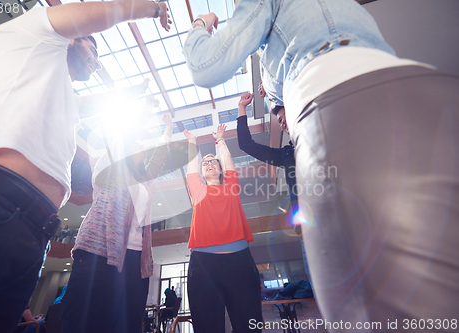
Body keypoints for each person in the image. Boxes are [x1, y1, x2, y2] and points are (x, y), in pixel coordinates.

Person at [182, 0, 459, 329]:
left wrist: (201, 22)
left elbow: (206, 66)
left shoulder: (240, 178)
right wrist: (274, 99)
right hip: (429, 97)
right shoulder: (346, 8)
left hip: (336, 111)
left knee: (375, 315)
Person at [0, 1, 170, 332]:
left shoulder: (62, 94)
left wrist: (133, 96)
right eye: (95, 50)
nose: (98, 63)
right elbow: (94, 14)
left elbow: (85, 105)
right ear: (76, 37)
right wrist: (152, 8)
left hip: (35, 228)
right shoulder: (29, 33)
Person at [61, 113, 174, 333]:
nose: (139, 147)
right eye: (135, 145)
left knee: (125, 323)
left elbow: (159, 156)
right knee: (83, 320)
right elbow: (123, 142)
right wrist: (142, 115)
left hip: (134, 259)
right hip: (98, 251)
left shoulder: (144, 180)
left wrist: (168, 129)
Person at [183, 124, 263, 333]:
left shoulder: (231, 188)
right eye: (205, 163)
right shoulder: (198, 191)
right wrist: (192, 143)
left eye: (213, 162)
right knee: (208, 327)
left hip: (240, 263)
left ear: (219, 170)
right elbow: (191, 170)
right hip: (204, 266)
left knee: (249, 325)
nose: (209, 164)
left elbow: (229, 164)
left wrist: (221, 140)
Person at [236, 91, 314, 293]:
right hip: (310, 228)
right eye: (278, 120)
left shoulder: (317, 135)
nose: (282, 124)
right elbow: (246, 145)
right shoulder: (286, 154)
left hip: (338, 215)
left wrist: (275, 91)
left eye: (283, 118)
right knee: (320, 286)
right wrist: (242, 108)